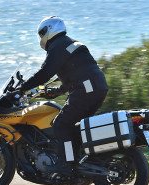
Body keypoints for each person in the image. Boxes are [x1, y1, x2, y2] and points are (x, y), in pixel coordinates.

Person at [18, 16, 108, 175]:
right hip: (97, 87)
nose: (41, 38)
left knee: (60, 124)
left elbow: (44, 73)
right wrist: (57, 91)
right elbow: (76, 73)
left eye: (41, 33)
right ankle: (80, 160)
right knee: (74, 125)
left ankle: (66, 165)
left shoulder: (58, 46)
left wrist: (22, 89)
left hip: (86, 90)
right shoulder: (70, 44)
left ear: (49, 30)